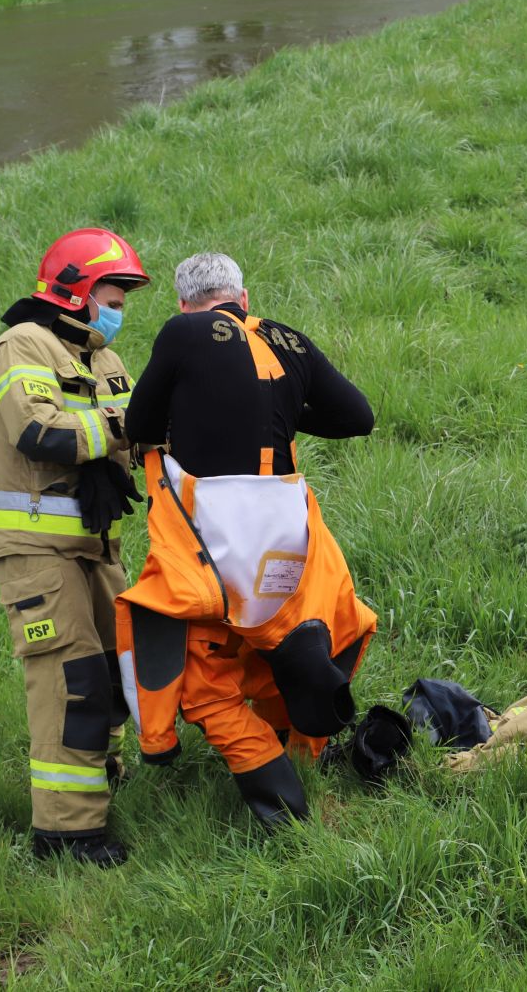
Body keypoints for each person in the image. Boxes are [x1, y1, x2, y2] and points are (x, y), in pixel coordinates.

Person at [116, 252, 378, 826]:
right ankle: (306, 742)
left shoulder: (183, 332)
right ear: (244, 299)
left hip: (213, 539)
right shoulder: (287, 341)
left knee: (207, 680)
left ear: (184, 304)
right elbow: (359, 416)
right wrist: (279, 408)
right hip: (287, 534)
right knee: (286, 639)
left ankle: (282, 810)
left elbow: (138, 427)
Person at [0, 227, 150, 866]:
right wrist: (124, 427)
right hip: (35, 547)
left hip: (95, 544)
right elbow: (38, 431)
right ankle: (65, 835)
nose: (121, 307)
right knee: (70, 679)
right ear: (76, 289)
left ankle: (97, 778)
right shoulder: (22, 344)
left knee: (116, 668)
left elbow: (138, 433)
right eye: (116, 291)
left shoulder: (103, 357)